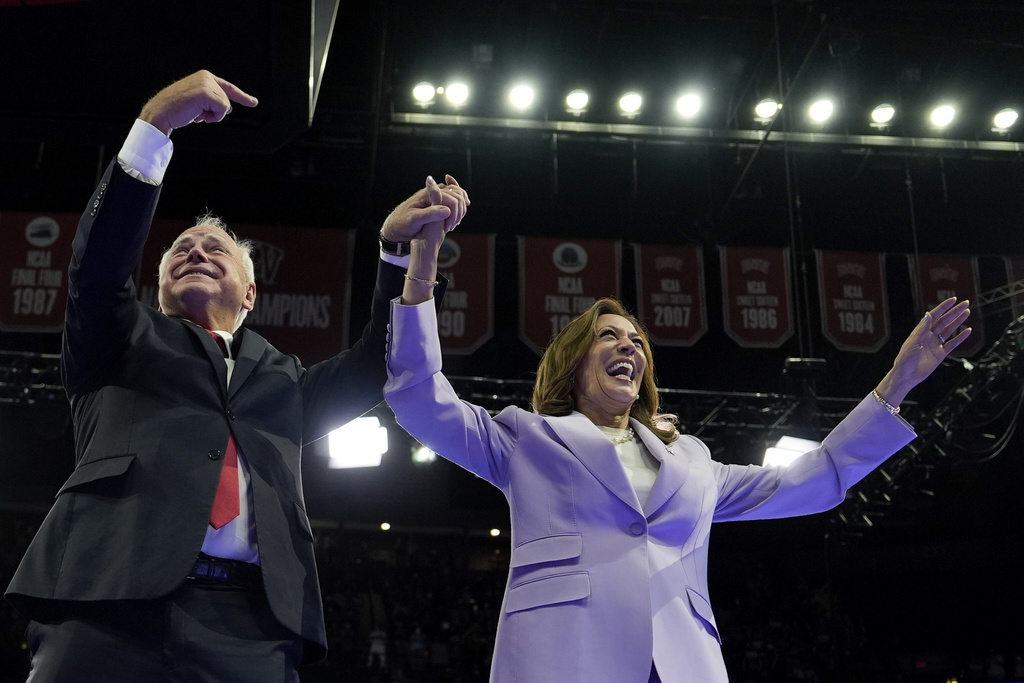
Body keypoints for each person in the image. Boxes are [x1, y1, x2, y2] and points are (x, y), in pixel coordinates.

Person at [4, 70, 469, 682]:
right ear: (161, 284)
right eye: (181, 250)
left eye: (215, 248)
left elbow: (379, 363)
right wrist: (156, 125)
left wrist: (394, 252)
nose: (195, 251)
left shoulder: (285, 381)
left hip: (253, 626)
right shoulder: (116, 338)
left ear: (251, 292)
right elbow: (99, 265)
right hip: (106, 606)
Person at [383, 219, 970, 682]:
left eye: (637, 340)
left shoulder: (692, 462)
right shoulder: (526, 439)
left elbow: (818, 478)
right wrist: (420, 272)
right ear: (572, 362)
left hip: (683, 666)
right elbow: (417, 397)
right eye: (608, 336)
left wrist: (895, 385)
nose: (629, 346)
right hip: (564, 658)